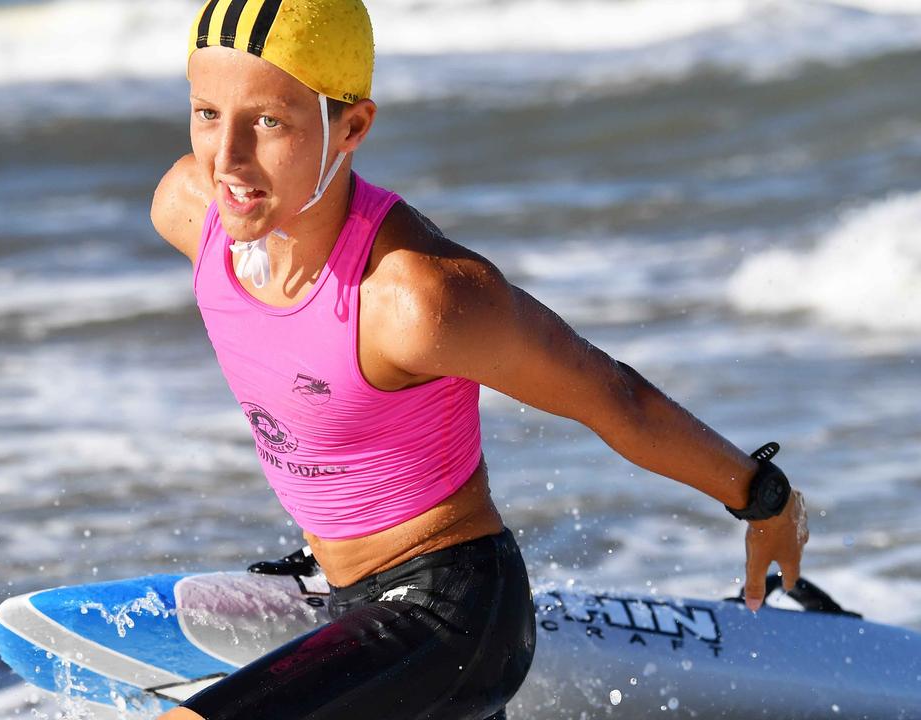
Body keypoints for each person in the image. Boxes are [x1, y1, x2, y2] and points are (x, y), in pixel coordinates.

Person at [149, 1, 809, 718]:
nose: (228, 157)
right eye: (207, 113)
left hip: (450, 615)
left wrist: (764, 498)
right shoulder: (189, 210)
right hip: (342, 597)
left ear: (352, 126)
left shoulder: (415, 298)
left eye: (270, 122)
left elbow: (613, 397)